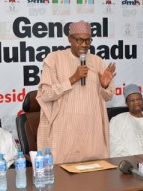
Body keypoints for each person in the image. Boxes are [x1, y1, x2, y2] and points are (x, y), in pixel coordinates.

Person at [36, 20, 116, 164]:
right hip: (64, 136)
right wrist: (72, 79)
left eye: (87, 40)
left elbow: (108, 97)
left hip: (92, 134)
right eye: (79, 40)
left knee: (95, 180)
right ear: (70, 38)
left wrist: (104, 86)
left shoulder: (97, 61)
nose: (84, 45)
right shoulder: (54, 59)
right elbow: (45, 95)